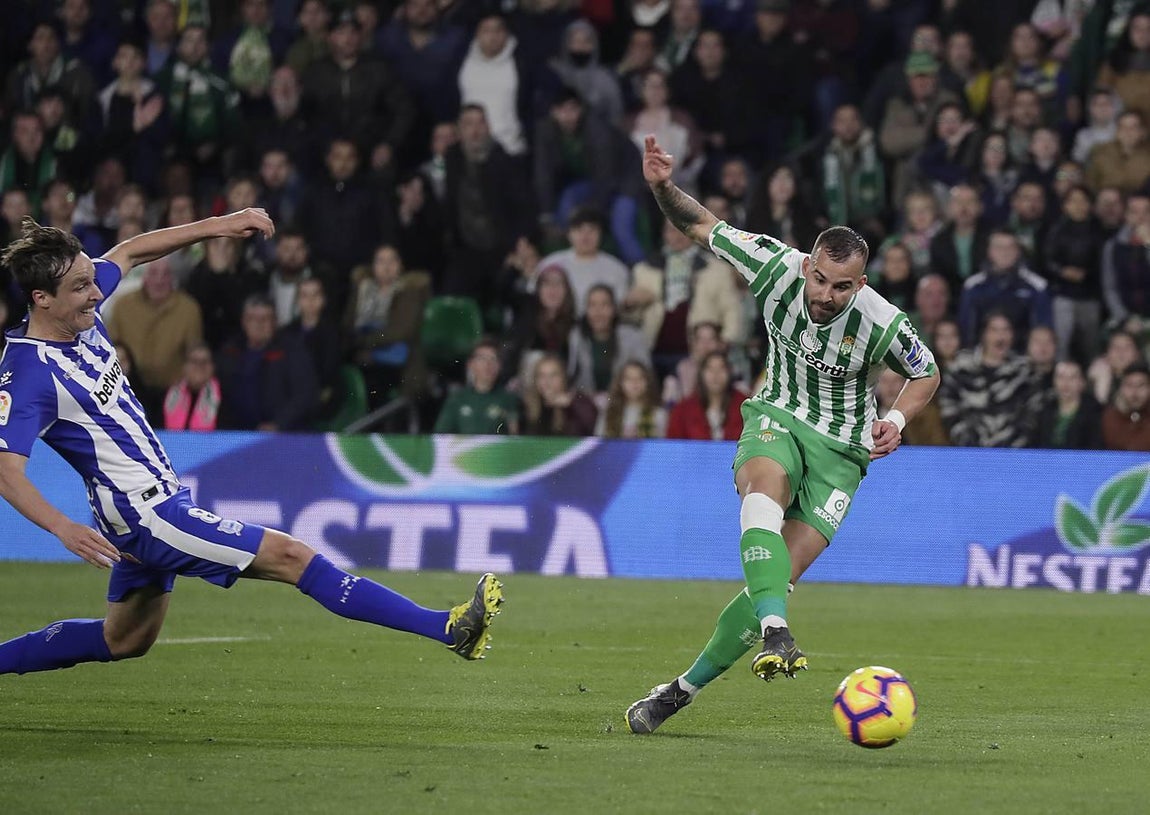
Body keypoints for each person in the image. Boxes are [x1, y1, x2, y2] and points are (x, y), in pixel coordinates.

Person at [0, 211, 503, 680]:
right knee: (292, 556)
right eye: (81, 287)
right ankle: (447, 626)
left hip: (152, 502)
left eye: (92, 280)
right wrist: (61, 527)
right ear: (42, 298)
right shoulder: (26, 374)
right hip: (145, 515)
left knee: (125, 637)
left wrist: (221, 224)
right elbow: (7, 469)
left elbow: (130, 252)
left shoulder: (79, 317)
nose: (96, 292)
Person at [625, 136, 940, 735]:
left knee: (778, 574)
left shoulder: (883, 322)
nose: (824, 295)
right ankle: (777, 629)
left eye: (840, 287)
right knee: (761, 485)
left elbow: (926, 372)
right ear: (807, 265)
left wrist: (895, 421)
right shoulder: (773, 264)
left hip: (843, 453)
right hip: (778, 413)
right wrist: (664, 188)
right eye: (819, 279)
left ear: (861, 283)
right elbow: (702, 226)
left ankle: (679, 690)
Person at [433, 338, 520, 435]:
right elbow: (441, 435)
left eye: (493, 359)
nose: (487, 365)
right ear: (471, 364)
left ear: (500, 365)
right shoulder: (457, 398)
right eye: (482, 359)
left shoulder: (509, 399)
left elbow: (514, 438)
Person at [664, 349, 746, 441]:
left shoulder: (746, 406)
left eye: (721, 368)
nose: (716, 375)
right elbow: (672, 446)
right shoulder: (683, 410)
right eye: (710, 369)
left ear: (729, 373)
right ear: (701, 373)